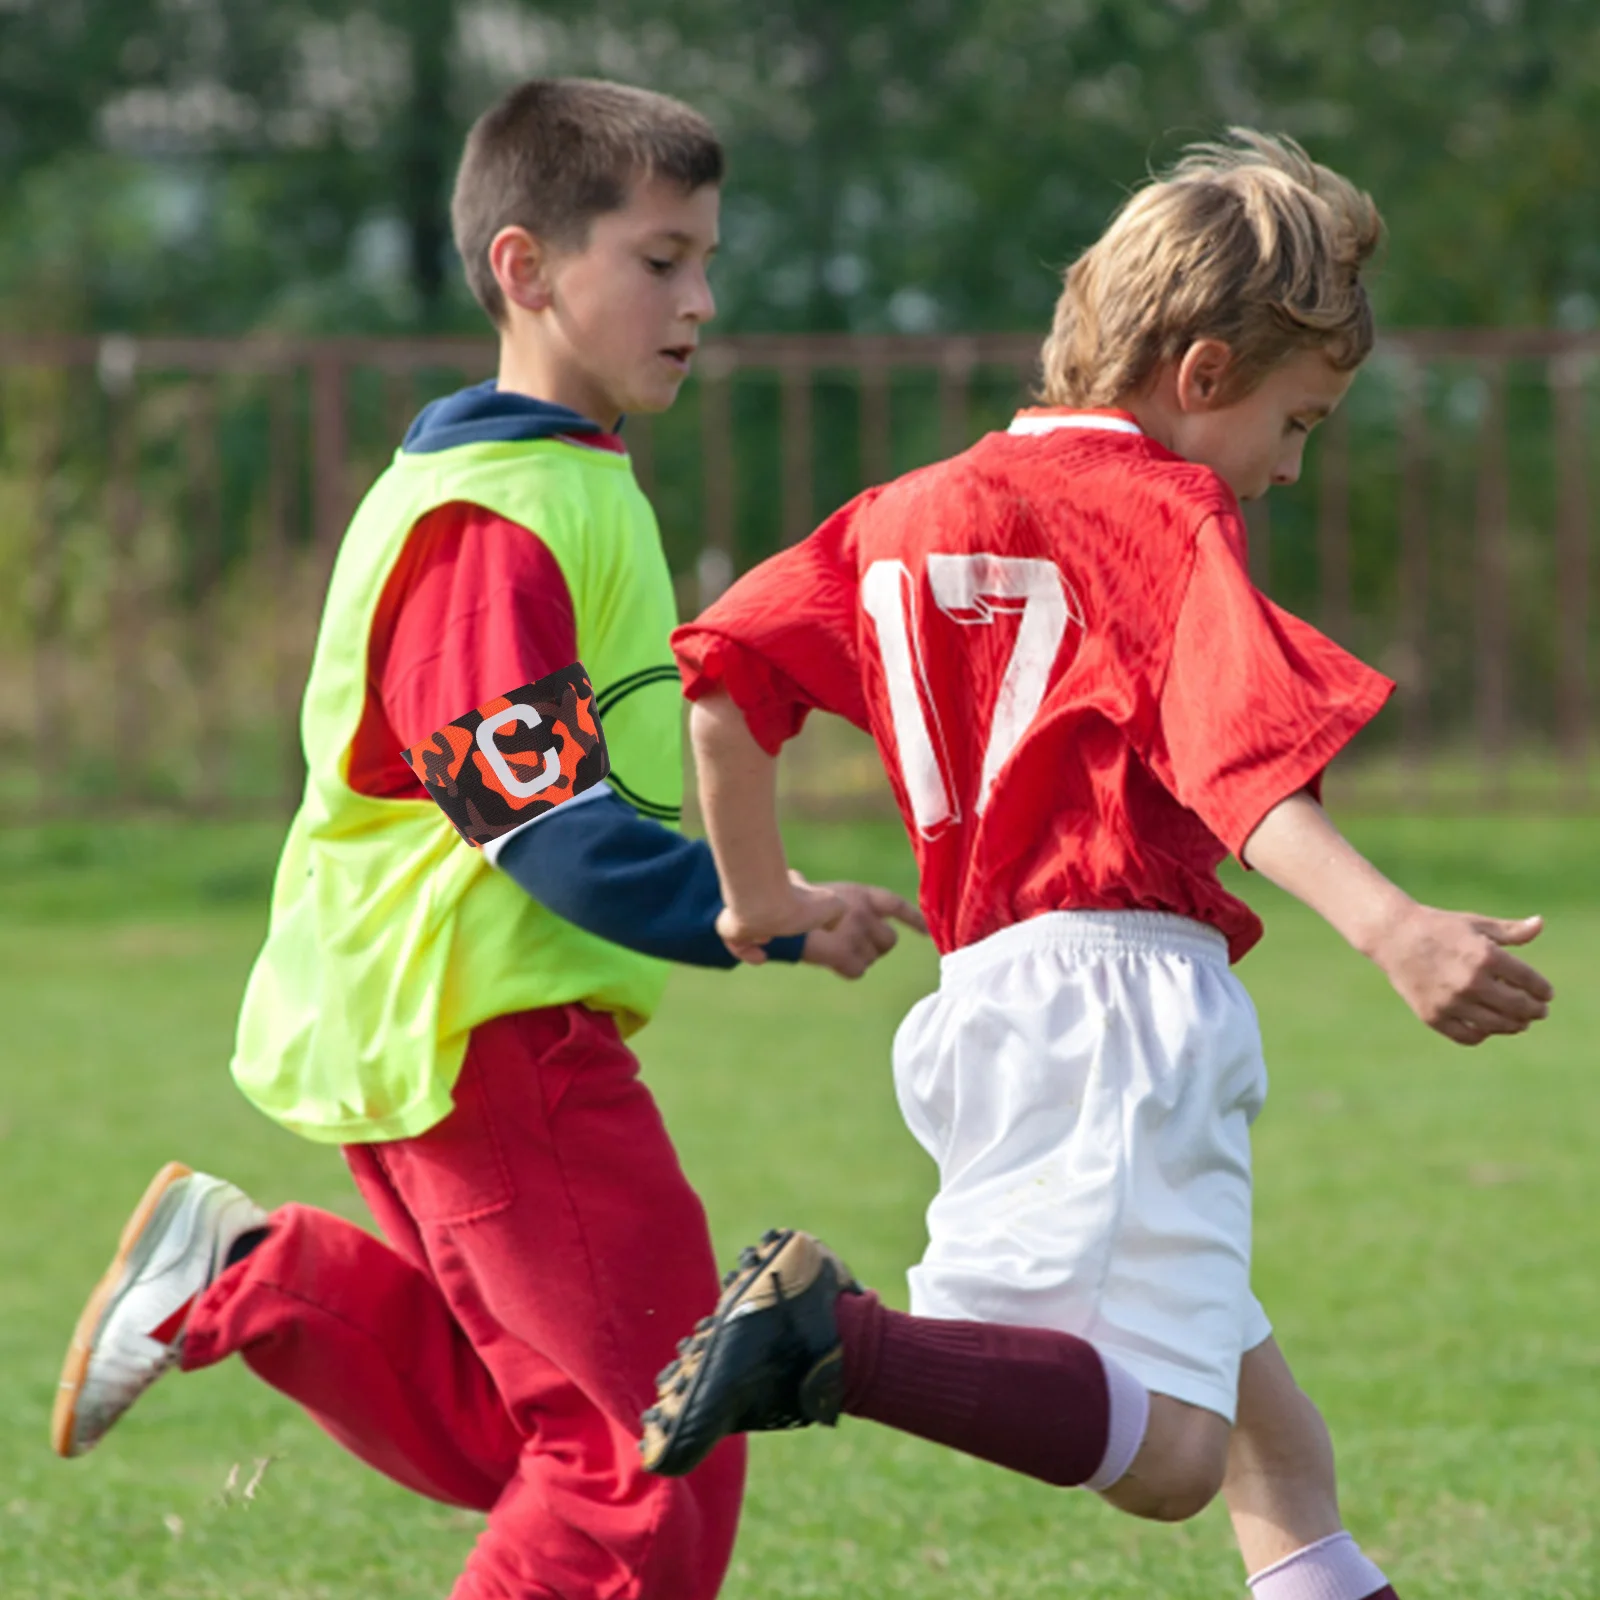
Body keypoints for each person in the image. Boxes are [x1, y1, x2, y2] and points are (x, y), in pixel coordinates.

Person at [638, 131, 1553, 1600]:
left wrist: (763, 897)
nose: (1289, 469)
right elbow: (1237, 757)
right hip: (1124, 998)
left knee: (1277, 1455)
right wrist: (1391, 927)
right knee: (1178, 1464)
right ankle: (830, 1340)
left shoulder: (899, 514)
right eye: (1299, 423)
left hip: (997, 995)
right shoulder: (1164, 515)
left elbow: (722, 679)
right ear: (1201, 374)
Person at [50, 78, 919, 1600]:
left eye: (709, 260)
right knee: (652, 1461)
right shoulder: (490, 524)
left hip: (455, 1028)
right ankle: (249, 1280)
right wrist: (756, 908)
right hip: (487, 1037)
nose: (700, 301)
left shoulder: (553, 479)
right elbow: (546, 828)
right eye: (659, 261)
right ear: (525, 268)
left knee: (522, 1439)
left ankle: (255, 1278)